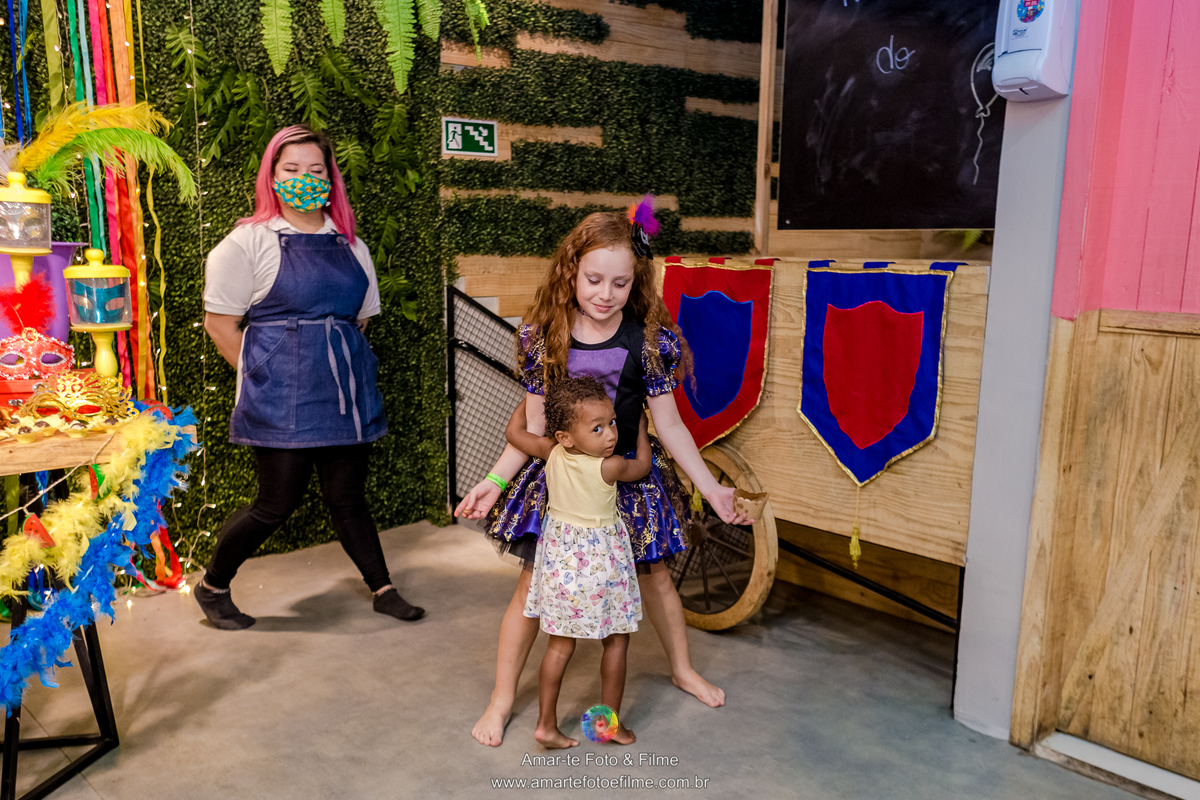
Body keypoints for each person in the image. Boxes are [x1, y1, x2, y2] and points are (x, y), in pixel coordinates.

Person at [456, 201, 751, 746]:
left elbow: (670, 425)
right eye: (594, 279)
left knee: (655, 578)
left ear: (636, 281)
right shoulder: (545, 337)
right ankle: (500, 700)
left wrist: (711, 488)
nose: (605, 293)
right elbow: (534, 427)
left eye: (620, 282)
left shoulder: (649, 341)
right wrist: (492, 484)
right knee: (532, 586)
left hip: (628, 482)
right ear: (571, 271)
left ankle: (683, 669)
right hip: (561, 487)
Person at [195, 124, 423, 629]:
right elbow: (220, 324)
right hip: (280, 397)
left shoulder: (352, 245)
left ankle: (382, 588)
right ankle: (212, 586)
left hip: (344, 394)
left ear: (330, 178)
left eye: (315, 169)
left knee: (348, 499)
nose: (304, 178)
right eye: (292, 169)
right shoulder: (247, 243)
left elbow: (359, 319)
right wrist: (263, 378)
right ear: (272, 177)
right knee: (275, 505)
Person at [506, 378, 648, 748]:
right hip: (602, 568)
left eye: (612, 422)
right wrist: (641, 426)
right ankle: (607, 727)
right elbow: (643, 466)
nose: (610, 434)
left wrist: (530, 398)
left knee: (559, 646)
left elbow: (514, 433)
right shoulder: (610, 467)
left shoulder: (551, 451)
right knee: (616, 641)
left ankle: (546, 726)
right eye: (597, 428)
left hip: (560, 566)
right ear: (566, 436)